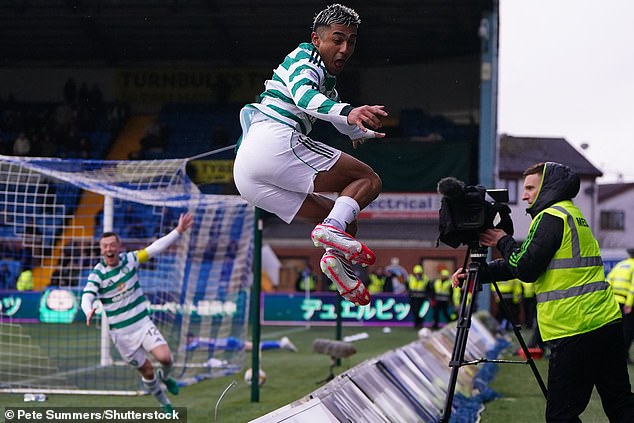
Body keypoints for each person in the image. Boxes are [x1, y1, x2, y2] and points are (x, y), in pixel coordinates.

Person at [453, 162, 634, 422]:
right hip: (605, 322)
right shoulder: (572, 215)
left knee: (561, 416)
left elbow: (525, 268)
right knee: (621, 404)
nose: (524, 195)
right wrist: (480, 273)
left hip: (575, 327)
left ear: (548, 187)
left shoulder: (550, 217)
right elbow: (527, 262)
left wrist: (502, 240)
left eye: (529, 188)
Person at [233, 4, 387, 307]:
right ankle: (330, 238)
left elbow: (333, 114)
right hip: (275, 141)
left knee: (344, 222)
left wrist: (358, 130)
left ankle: (336, 266)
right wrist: (350, 111)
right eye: (337, 39)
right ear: (317, 39)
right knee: (368, 179)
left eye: (351, 42)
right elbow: (305, 98)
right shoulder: (306, 58)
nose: (344, 49)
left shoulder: (326, 81)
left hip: (247, 177)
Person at [81, 212, 194, 413]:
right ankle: (165, 404)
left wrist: (178, 231)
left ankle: (166, 377)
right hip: (122, 336)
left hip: (143, 324)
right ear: (101, 249)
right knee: (147, 371)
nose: (109, 249)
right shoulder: (97, 274)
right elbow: (86, 295)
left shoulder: (131, 259)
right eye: (105, 246)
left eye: (112, 245)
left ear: (118, 247)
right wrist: (88, 309)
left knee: (166, 358)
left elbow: (155, 248)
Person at [607, 248, 634, 363]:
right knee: (628, 331)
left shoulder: (620, 265)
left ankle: (614, 355)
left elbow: (608, 280)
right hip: (626, 302)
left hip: (614, 301)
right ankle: (623, 356)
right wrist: (629, 304)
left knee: (615, 330)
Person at [407, 264, 432, 329]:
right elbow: (407, 286)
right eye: (417, 273)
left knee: (421, 311)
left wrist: (428, 297)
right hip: (413, 297)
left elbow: (428, 288)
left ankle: (420, 323)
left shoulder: (425, 279)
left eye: (419, 273)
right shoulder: (410, 278)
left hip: (421, 298)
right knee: (414, 311)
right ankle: (416, 323)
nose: (418, 274)